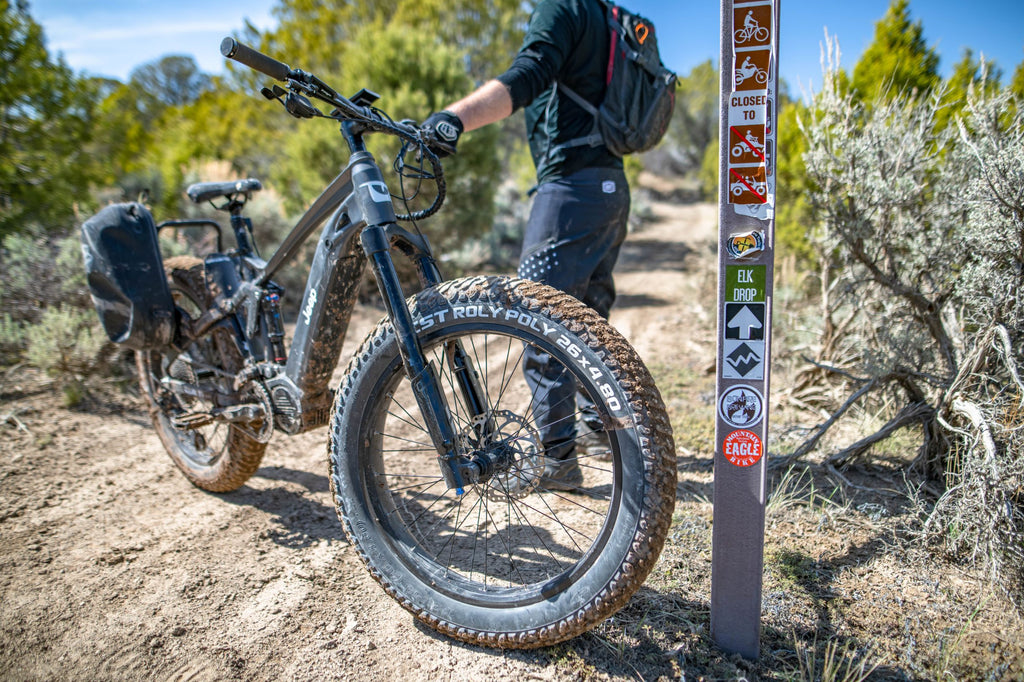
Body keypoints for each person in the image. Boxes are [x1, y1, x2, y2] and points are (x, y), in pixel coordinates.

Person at [420, 0, 627, 492]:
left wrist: (454, 117)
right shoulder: (610, 13)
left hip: (569, 191)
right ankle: (600, 430)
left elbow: (529, 72)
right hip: (611, 187)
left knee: (540, 324)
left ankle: (559, 462)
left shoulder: (564, 6)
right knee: (589, 318)